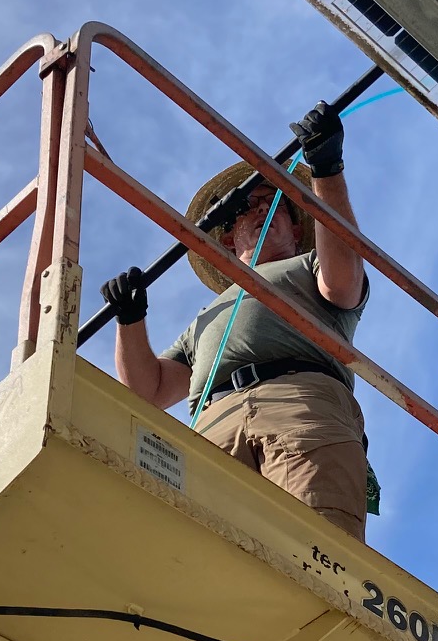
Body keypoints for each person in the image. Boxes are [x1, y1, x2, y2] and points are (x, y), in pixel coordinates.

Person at [99, 100, 371, 539]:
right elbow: (146, 390)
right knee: (202, 556)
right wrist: (129, 319)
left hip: (298, 403)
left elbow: (341, 283)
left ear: (299, 227)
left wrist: (327, 170)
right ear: (228, 236)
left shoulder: (311, 267)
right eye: (247, 205)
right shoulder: (209, 317)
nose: (261, 209)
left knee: (317, 550)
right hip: (213, 423)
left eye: (276, 203)